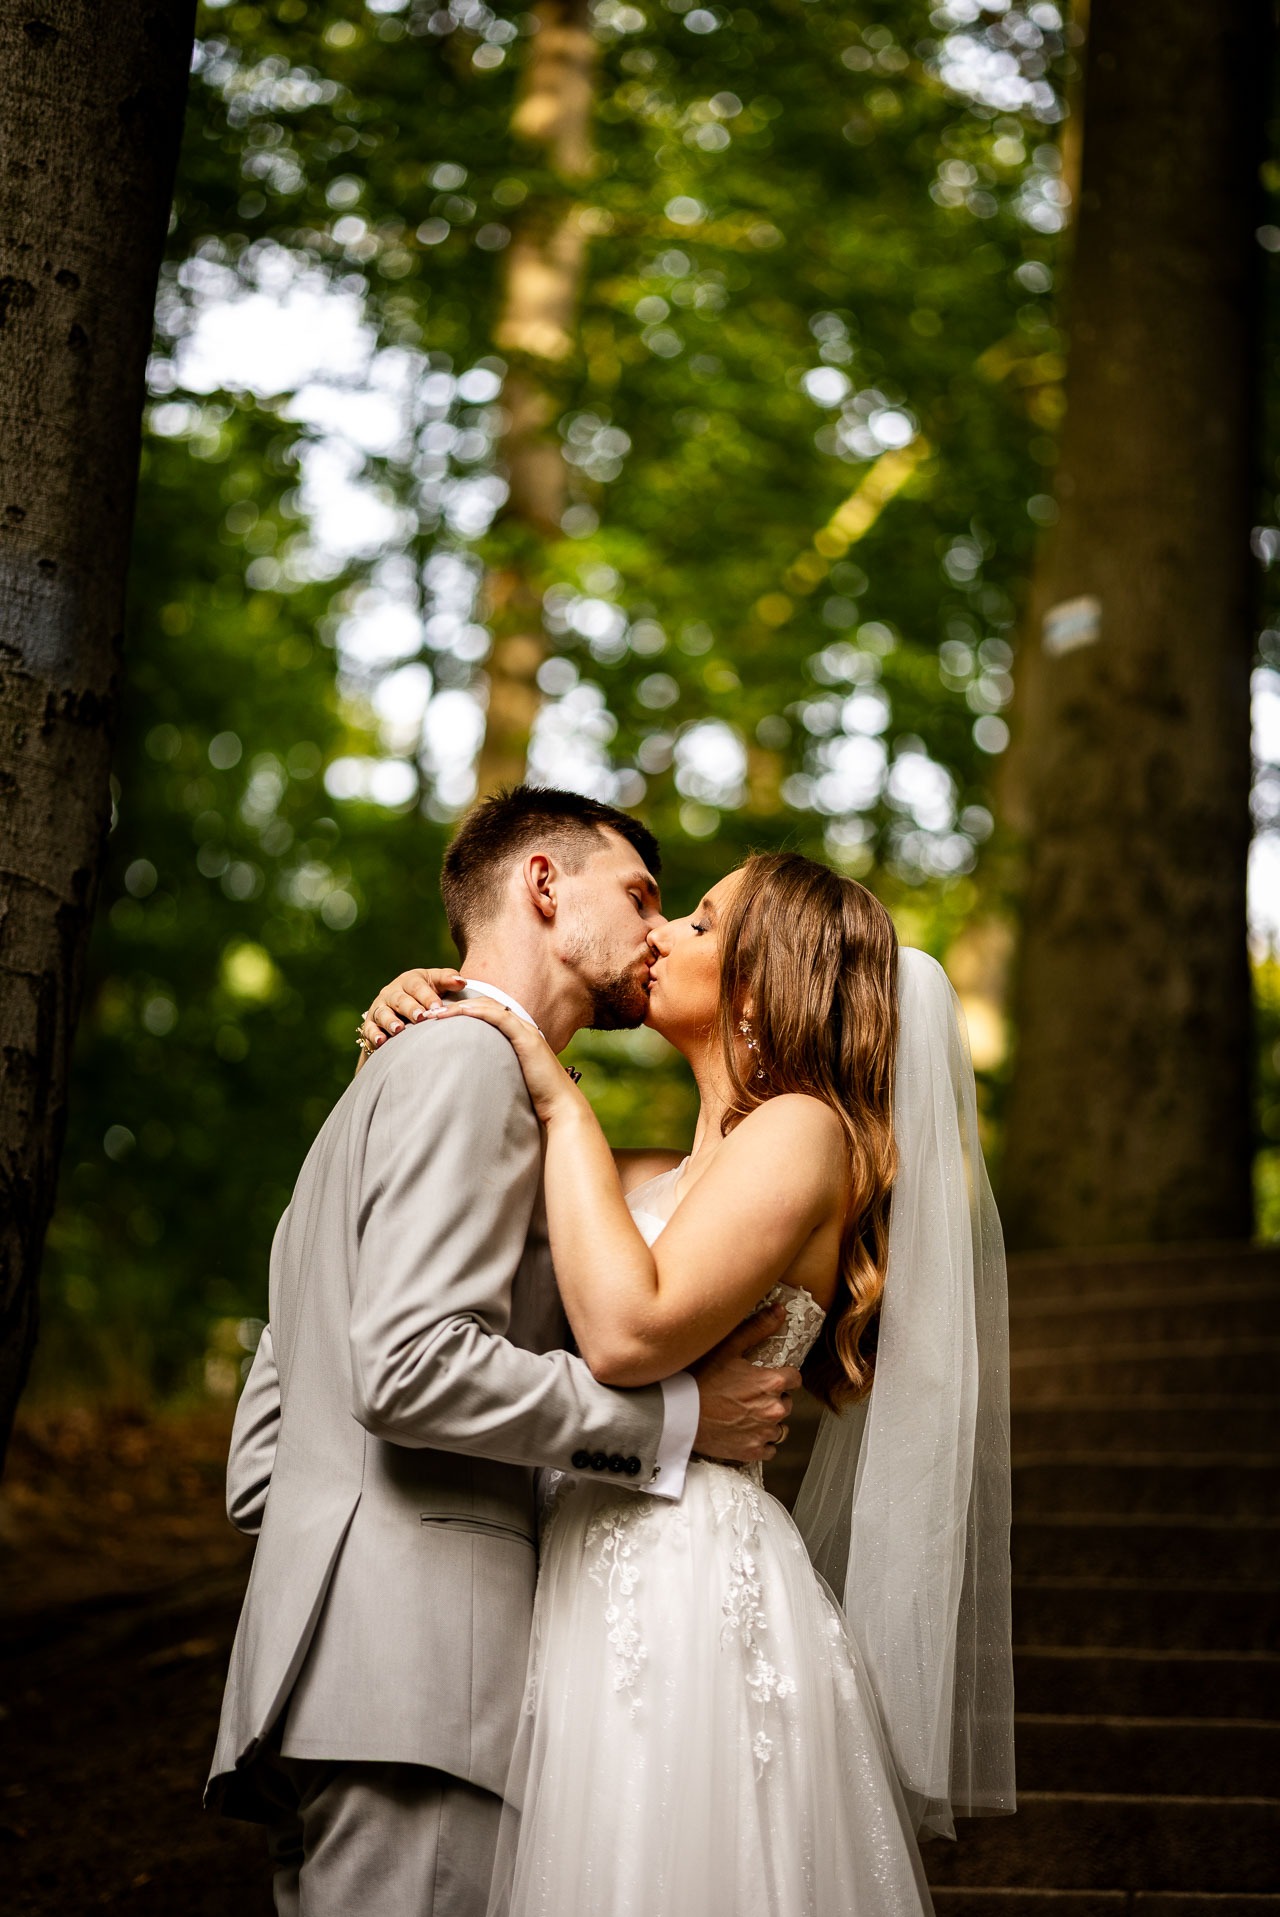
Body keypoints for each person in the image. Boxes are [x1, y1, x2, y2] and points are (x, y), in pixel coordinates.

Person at [364, 848, 1015, 1916]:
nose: (661, 933)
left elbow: (627, 1332)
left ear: (767, 980)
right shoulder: (669, 1172)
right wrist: (430, 1011)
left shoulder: (804, 1130)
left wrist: (560, 1103)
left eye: (702, 924)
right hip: (586, 1567)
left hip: (685, 1586)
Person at [205, 787, 799, 1917]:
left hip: (322, 1688)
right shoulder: (471, 1072)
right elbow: (409, 1368)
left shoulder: (381, 1090)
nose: (655, 931)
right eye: (638, 896)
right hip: (427, 1689)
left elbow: (259, 1460)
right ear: (541, 885)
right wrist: (673, 1423)